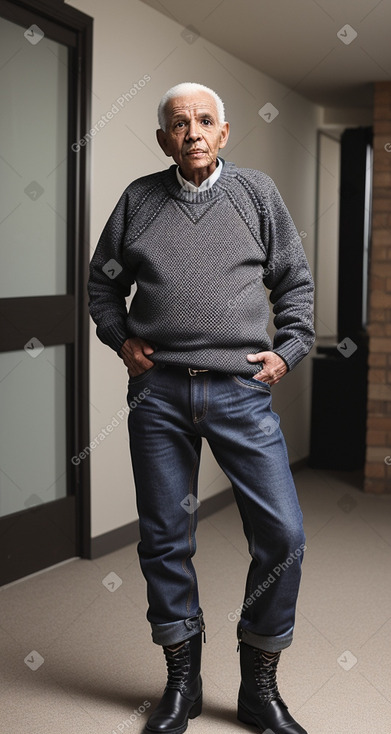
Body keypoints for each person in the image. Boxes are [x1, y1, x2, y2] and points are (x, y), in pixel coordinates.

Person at [88, 81, 315, 734]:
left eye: (204, 121)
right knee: (164, 538)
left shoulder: (255, 194)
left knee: (282, 537)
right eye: (178, 123)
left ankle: (258, 689)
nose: (191, 132)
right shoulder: (138, 201)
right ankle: (181, 685)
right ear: (164, 139)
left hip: (240, 393)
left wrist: (290, 348)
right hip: (158, 396)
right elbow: (102, 287)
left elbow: (293, 279)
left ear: (223, 133)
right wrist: (119, 338)